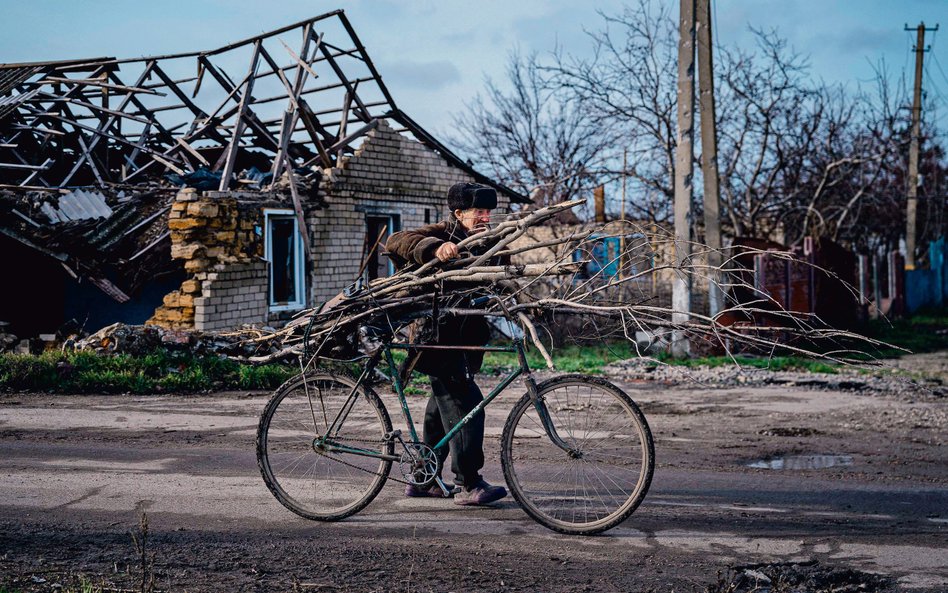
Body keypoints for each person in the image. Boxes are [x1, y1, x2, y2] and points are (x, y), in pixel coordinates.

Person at [384, 182, 508, 506]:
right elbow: (397, 240)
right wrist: (434, 248)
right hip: (436, 340)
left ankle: (424, 479)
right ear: (458, 213)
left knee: (440, 412)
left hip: (460, 345)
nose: (484, 217)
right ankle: (469, 483)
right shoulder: (442, 232)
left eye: (487, 212)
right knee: (468, 406)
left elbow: (502, 271)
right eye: (478, 212)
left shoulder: (485, 242)